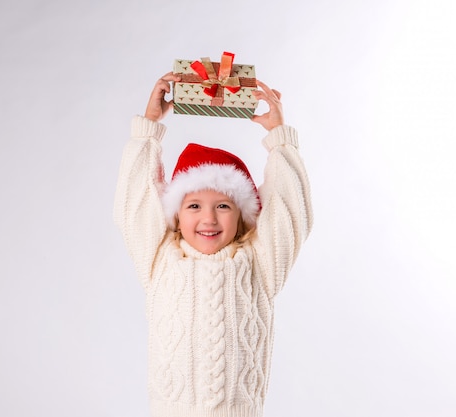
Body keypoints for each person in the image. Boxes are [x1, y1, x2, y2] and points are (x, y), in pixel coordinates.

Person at [114, 71, 313, 417]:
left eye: (223, 205)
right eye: (194, 206)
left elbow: (290, 210)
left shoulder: (259, 262)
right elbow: (135, 202)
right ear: (176, 213)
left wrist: (280, 139)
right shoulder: (160, 258)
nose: (208, 219)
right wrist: (149, 128)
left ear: (243, 214)